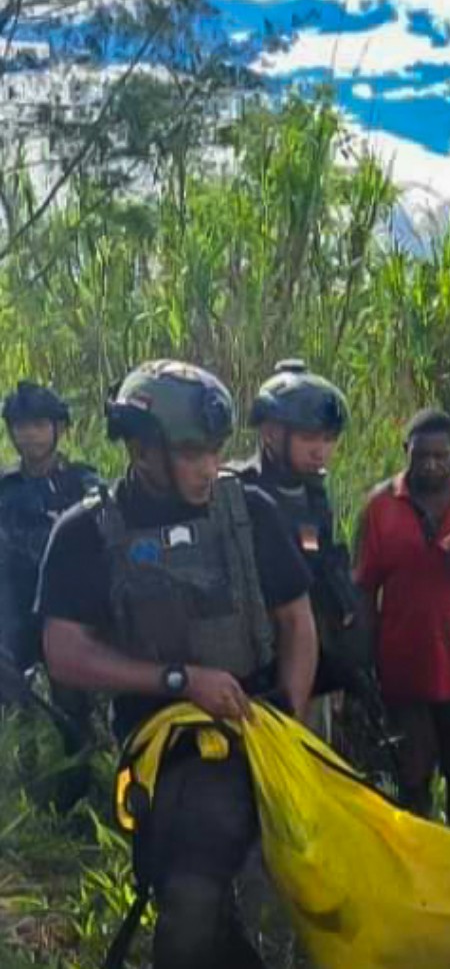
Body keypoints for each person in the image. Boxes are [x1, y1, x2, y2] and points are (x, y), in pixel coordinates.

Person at [38, 360, 316, 969]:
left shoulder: (251, 513)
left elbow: (296, 619)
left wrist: (289, 716)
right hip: (163, 744)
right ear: (140, 449)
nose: (207, 469)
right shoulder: (86, 532)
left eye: (215, 452)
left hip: (262, 726)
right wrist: (179, 681)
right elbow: (64, 649)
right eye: (191, 454)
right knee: (191, 890)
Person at [354, 408, 450, 835]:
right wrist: (364, 664)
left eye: (441, 456)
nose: (431, 465)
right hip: (402, 674)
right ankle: (418, 889)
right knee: (412, 788)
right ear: (406, 453)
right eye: (422, 456)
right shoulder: (380, 508)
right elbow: (363, 590)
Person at [232, 360, 371, 739]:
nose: (321, 451)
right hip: (249, 663)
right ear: (271, 433)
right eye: (311, 439)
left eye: (329, 440)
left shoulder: (312, 495)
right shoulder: (234, 493)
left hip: (307, 657)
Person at [0, 380, 101, 806]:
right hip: (14, 608)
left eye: (39, 424)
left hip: (66, 610)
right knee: (10, 701)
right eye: (20, 425)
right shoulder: (4, 489)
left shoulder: (85, 485)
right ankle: (20, 790)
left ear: (59, 428)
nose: (29, 435)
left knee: (72, 703)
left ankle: (77, 795)